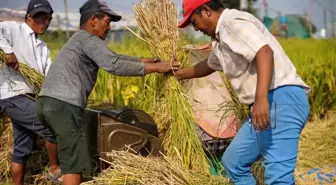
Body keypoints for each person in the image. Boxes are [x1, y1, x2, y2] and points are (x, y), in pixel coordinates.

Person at [36, 0, 179, 184]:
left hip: (45, 103)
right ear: (93, 20)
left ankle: (55, 170)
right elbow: (113, 65)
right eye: (108, 21)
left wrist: (144, 60)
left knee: (61, 146)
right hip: (64, 105)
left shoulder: (79, 39)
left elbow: (114, 57)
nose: (109, 27)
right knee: (74, 165)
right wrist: (159, 68)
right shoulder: (90, 39)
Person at [175, 0, 310, 184]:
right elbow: (209, 65)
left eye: (194, 21)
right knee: (234, 163)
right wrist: (179, 74)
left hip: (279, 99)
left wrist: (261, 99)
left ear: (206, 10)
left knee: (279, 178)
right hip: (263, 105)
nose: (195, 28)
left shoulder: (232, 22)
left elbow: (264, 52)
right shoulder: (220, 39)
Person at [0, 0, 62, 184]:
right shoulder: (13, 29)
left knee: (22, 149)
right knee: (52, 125)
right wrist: (8, 51)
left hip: (29, 97)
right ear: (29, 17)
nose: (46, 22)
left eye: (49, 19)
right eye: (42, 18)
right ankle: (54, 168)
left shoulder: (43, 47)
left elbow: (48, 73)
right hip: (12, 95)